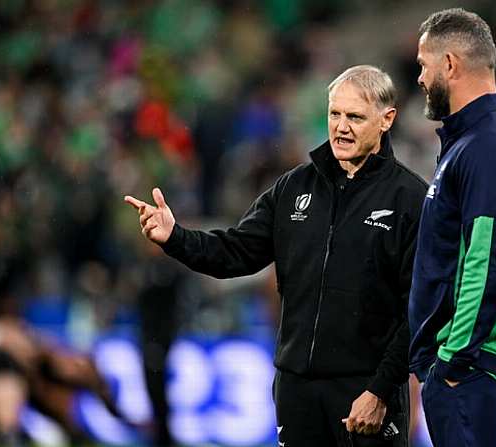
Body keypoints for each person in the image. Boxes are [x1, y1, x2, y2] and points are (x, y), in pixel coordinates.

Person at [124, 65, 427, 447]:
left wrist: (382, 390)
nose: (341, 127)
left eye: (355, 116)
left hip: (366, 393)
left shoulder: (411, 200)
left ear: (387, 120)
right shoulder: (293, 187)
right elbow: (235, 252)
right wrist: (174, 237)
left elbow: (419, 308)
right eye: (335, 114)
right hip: (296, 391)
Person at [408, 8, 496, 447]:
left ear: (449, 64)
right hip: (478, 371)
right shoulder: (484, 139)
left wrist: (451, 363)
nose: (419, 77)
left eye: (423, 64)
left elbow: (486, 261)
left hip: (476, 370)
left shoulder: (487, 147)